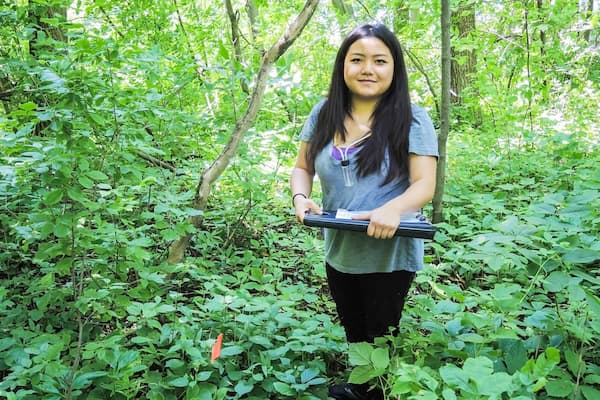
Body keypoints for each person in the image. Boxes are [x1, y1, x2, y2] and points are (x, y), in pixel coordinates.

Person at [290, 24, 439, 400]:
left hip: (389, 249)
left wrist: (391, 209)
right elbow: (302, 167)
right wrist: (300, 197)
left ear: (394, 69)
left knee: (380, 329)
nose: (367, 69)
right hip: (340, 244)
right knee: (354, 326)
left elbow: (424, 184)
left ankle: (374, 391)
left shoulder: (413, 119)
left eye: (379, 61)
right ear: (344, 66)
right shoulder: (324, 113)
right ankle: (363, 385)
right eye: (357, 59)